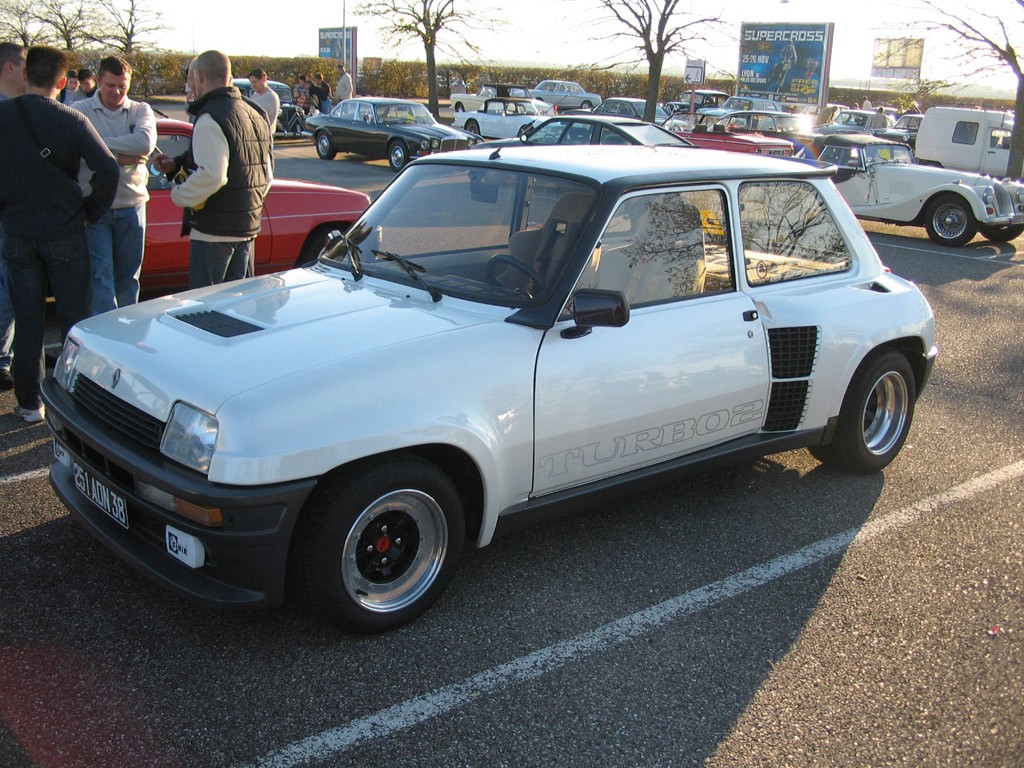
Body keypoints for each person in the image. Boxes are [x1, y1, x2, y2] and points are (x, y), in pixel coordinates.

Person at [0, 46, 118, 422]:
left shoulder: (3, 116)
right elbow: (109, 170)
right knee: (74, 320)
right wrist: (90, 212)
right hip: (65, 229)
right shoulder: (73, 119)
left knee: (29, 318)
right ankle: (73, 396)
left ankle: (28, 401)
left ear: (25, 74)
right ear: (63, 81)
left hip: (18, 230)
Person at [152, 51, 272, 289]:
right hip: (247, 229)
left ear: (199, 76)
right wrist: (176, 165)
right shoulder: (257, 113)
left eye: (190, 78)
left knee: (206, 313)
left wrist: (179, 194)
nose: (190, 84)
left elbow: (213, 175)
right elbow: (265, 175)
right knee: (238, 313)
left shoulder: (209, 117)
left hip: (212, 234)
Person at [72, 55, 157, 315]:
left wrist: (96, 146)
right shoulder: (80, 111)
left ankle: (128, 333)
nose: (117, 91)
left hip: (132, 206)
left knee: (129, 279)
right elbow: (76, 147)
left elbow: (144, 143)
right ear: (99, 81)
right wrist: (121, 157)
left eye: (123, 85)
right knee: (100, 278)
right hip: (96, 208)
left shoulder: (140, 110)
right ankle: (107, 337)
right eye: (110, 85)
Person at [0, 42, 26, 392]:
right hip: (10, 216)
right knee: (9, 289)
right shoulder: (10, 114)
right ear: (8, 68)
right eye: (24, 68)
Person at [247, 67, 280, 134]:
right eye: (251, 82)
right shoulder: (254, 96)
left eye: (255, 82)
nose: (253, 85)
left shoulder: (271, 96)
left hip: (265, 136)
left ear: (264, 79)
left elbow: (254, 116)